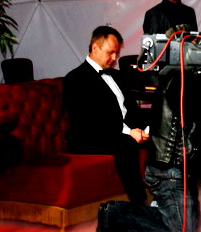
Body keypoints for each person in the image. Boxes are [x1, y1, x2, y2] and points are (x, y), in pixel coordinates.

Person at [95, 48, 201, 232]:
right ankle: (115, 215)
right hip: (170, 171)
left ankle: (149, 213)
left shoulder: (184, 79)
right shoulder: (180, 82)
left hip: (178, 168)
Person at [62, 26, 149, 205]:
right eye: (110, 53)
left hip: (119, 134)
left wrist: (145, 129)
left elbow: (132, 110)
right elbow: (90, 123)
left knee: (163, 136)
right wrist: (129, 133)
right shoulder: (75, 79)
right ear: (95, 48)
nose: (114, 58)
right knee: (126, 143)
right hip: (91, 138)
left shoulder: (118, 76)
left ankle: (168, 197)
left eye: (117, 53)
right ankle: (140, 203)